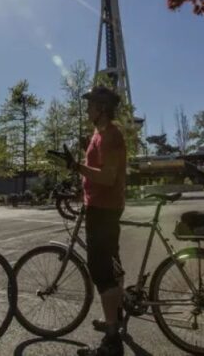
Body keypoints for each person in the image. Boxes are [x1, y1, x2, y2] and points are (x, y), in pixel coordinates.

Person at [56, 85, 128, 356]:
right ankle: (115, 320)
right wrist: (79, 189)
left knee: (103, 273)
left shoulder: (111, 135)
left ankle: (112, 341)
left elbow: (108, 177)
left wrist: (77, 166)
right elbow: (95, 175)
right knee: (113, 266)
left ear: (102, 108)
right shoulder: (99, 134)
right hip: (99, 206)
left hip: (105, 210)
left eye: (90, 105)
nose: (87, 109)